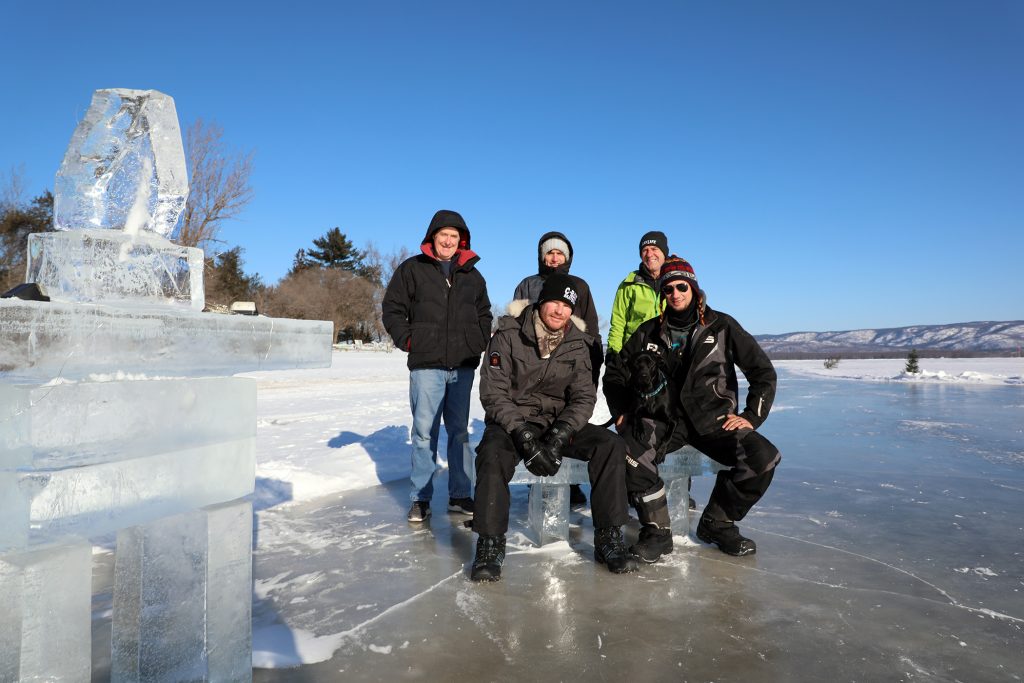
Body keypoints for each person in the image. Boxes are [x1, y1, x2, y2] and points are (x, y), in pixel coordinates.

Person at [603, 256, 781, 561]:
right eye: (668, 288)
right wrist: (621, 409)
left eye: (681, 286)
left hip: (715, 422)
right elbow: (615, 373)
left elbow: (763, 373)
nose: (675, 293)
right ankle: (657, 532)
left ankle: (718, 522)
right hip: (659, 420)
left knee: (763, 458)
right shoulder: (647, 332)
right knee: (629, 455)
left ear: (694, 289)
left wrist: (751, 417)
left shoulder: (722, 326)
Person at [470, 274, 638, 581]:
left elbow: (584, 396)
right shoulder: (507, 334)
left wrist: (561, 433)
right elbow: (493, 393)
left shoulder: (579, 342)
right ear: (541, 302)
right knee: (492, 453)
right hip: (513, 421)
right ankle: (490, 543)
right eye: (555, 302)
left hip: (559, 422)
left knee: (611, 445)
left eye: (567, 306)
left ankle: (609, 538)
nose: (560, 311)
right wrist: (523, 436)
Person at [382, 209, 493, 523]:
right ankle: (421, 498)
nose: (448, 240)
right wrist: (409, 340)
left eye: (454, 236)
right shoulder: (412, 269)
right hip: (426, 364)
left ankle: (460, 494)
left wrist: (479, 341)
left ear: (462, 240)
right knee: (423, 432)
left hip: (462, 365)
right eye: (443, 234)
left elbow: (485, 314)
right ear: (433, 237)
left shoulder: (473, 274)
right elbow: (392, 308)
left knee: (458, 432)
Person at [512, 231, 602, 508]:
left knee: (567, 423)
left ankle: (572, 483)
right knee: (534, 421)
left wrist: (593, 367)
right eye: (549, 252)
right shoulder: (527, 285)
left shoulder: (580, 286)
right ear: (541, 256)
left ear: (568, 257)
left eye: (559, 252)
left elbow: (591, 331)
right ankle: (534, 477)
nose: (554, 257)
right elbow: (514, 331)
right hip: (532, 370)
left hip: (569, 368)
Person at [606, 230, 670, 356]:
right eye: (645, 250)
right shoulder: (628, 284)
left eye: (654, 248)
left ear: (664, 253)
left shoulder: (676, 283)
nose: (649, 254)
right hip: (636, 354)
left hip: (668, 352)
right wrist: (613, 354)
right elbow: (618, 324)